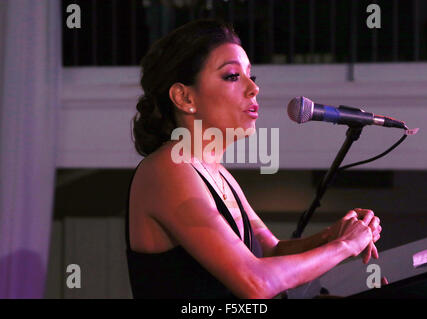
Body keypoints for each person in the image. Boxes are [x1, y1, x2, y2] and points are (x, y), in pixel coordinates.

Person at [126, 19, 382, 299]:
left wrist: (334, 235)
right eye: (233, 76)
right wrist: (345, 246)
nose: (253, 89)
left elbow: (272, 251)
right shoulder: (168, 170)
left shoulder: (216, 172)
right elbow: (256, 283)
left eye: (252, 77)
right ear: (184, 97)